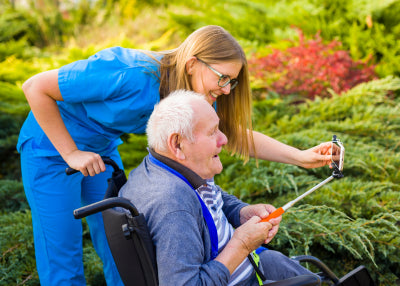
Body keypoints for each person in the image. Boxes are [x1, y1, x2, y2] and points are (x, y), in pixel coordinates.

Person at [18, 25, 332, 285]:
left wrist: (302, 158)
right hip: (50, 150)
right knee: (63, 257)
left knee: (119, 251)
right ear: (193, 63)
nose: (226, 89)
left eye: (232, 82)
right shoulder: (129, 73)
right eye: (222, 78)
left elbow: (233, 134)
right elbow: (35, 88)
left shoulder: (193, 94)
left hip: (100, 151)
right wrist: (71, 152)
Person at [118, 90, 321, 285]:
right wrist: (241, 245)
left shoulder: (159, 166)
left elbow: (210, 197)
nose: (224, 139)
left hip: (256, 265)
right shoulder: (173, 207)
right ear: (177, 144)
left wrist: (240, 211)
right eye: (212, 132)